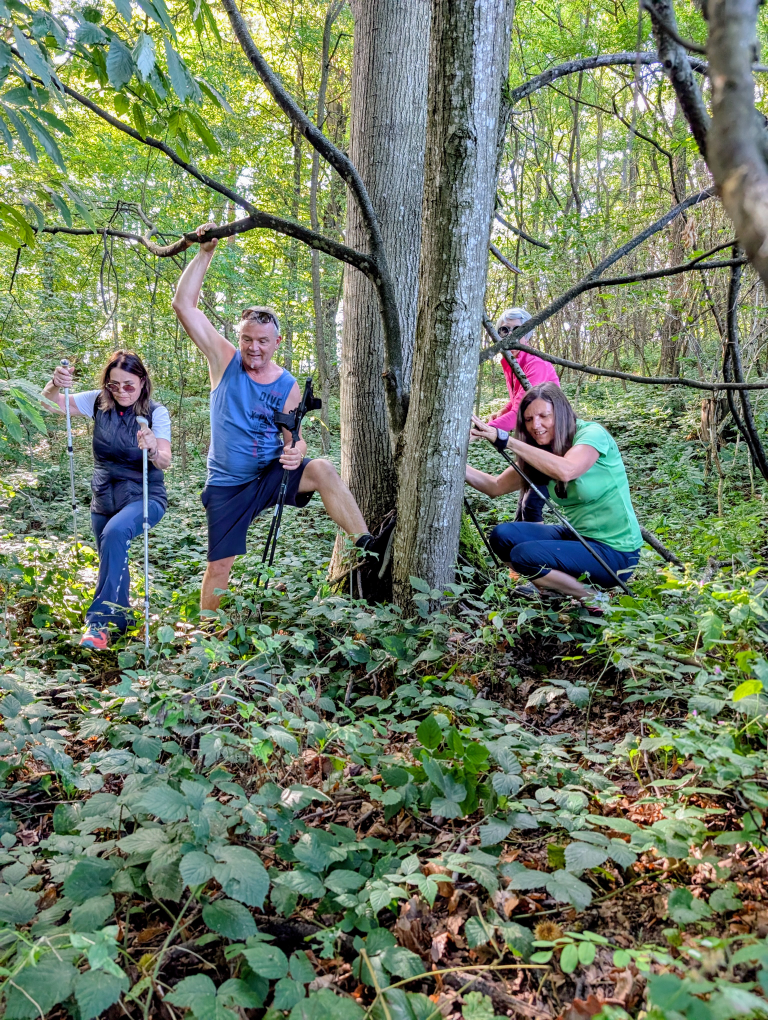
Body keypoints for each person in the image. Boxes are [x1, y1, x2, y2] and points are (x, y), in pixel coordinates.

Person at [171, 222, 381, 611]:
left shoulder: (287, 385)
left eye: (262, 341)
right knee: (219, 564)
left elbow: (293, 438)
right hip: (228, 484)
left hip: (269, 476)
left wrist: (296, 452)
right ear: (239, 339)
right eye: (247, 339)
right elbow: (184, 306)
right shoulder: (224, 361)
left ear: (277, 342)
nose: (254, 348)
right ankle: (206, 638)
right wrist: (205, 253)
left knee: (321, 468)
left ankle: (368, 544)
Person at [466, 382, 641, 609]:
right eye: (528, 420)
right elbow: (495, 486)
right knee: (503, 535)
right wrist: (452, 462)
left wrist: (506, 440)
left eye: (543, 416)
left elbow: (567, 470)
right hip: (577, 537)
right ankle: (551, 589)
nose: (535, 425)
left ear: (561, 412)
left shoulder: (591, 435)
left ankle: (593, 598)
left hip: (617, 553)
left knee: (524, 556)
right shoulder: (543, 451)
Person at [43, 351, 171, 648]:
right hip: (104, 496)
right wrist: (54, 384)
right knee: (112, 558)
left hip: (145, 495)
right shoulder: (99, 402)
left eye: (129, 385)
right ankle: (123, 620)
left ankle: (98, 624)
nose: (122, 391)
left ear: (142, 381)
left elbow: (164, 461)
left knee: (115, 533)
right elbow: (51, 404)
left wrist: (152, 447)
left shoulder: (156, 412)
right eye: (114, 385)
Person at [487, 307, 560, 522]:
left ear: (528, 333)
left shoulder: (534, 363)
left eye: (517, 329)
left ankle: (536, 553)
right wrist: (502, 410)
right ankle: (520, 548)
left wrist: (482, 432)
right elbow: (518, 399)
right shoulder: (513, 362)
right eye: (504, 330)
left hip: (550, 443)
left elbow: (522, 410)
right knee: (525, 501)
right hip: (532, 440)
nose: (510, 335)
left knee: (531, 504)